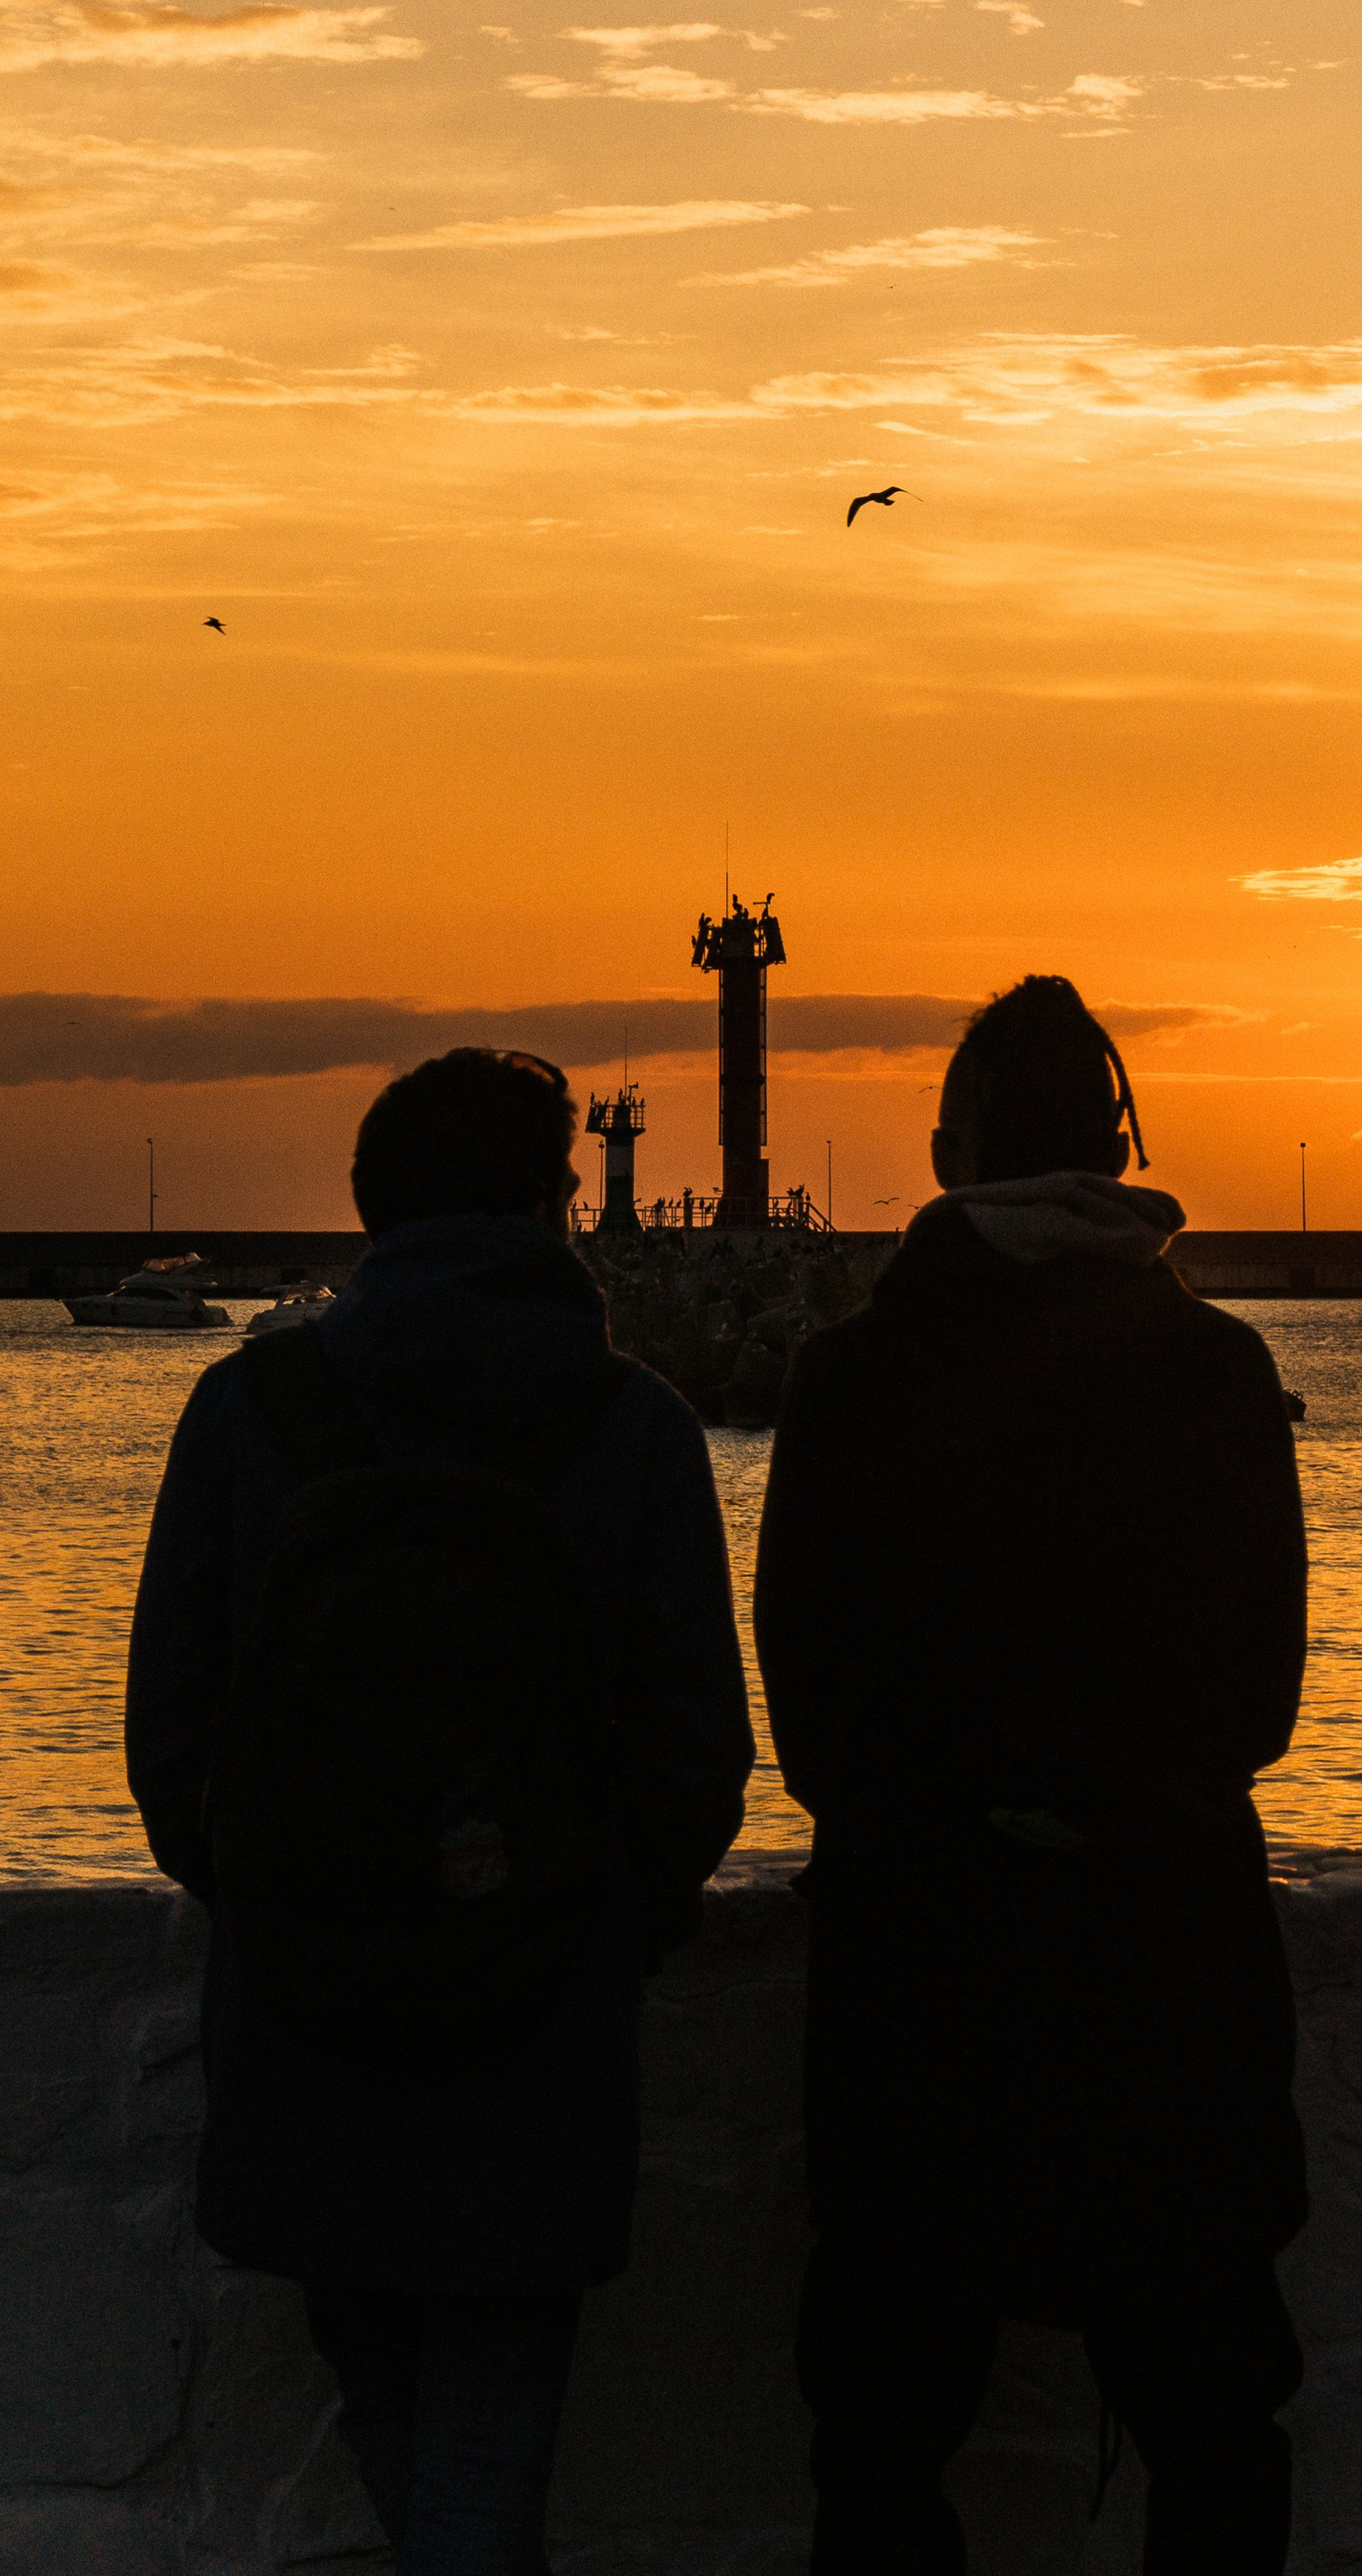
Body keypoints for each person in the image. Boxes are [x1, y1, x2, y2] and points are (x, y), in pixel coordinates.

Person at [127, 1048, 755, 2576]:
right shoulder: (635, 1429)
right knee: (488, 2417)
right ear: (556, 1201)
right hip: (536, 2022)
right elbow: (699, 1761)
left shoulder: (245, 1412)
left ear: (366, 1208)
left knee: (394, 2395)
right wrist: (600, 1929)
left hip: (308, 2017)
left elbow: (169, 1741)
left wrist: (286, 1908)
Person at [757, 974, 1309, 2574]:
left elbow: (809, 1719)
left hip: (918, 1972)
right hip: (1167, 1972)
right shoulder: (1212, 1371)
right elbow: (1253, 1704)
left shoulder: (851, 1377)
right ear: (1124, 1145)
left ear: (947, 1151)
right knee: (1213, 2419)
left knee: (879, 2428)